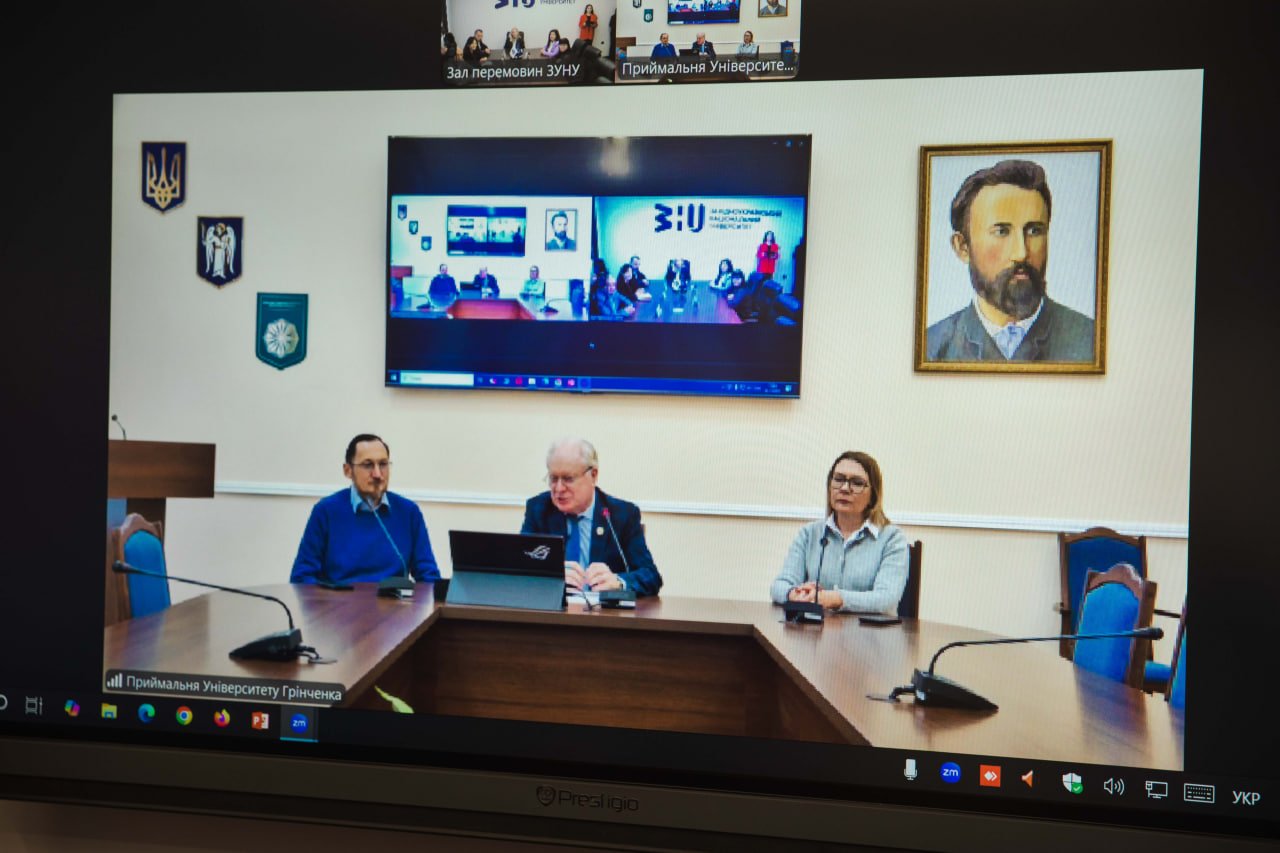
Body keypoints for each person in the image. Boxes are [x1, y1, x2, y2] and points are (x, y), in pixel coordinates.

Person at [925, 159, 1095, 362]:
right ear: (962, 247)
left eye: (1034, 231)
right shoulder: (931, 349)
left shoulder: (1090, 341)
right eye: (1001, 231)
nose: (1021, 253)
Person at [291, 434, 440, 586]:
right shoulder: (326, 511)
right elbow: (301, 577)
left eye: (383, 464)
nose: (377, 474)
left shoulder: (408, 512)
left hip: (393, 600)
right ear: (348, 470)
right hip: (340, 600)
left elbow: (429, 577)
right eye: (368, 465)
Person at [770, 451, 909, 614]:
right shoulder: (810, 533)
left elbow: (886, 599)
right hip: (815, 629)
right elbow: (779, 586)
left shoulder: (892, 539)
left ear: (873, 494)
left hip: (868, 630)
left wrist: (835, 598)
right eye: (838, 479)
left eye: (857, 483)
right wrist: (795, 594)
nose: (844, 488)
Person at [521, 438, 662, 596]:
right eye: (553, 478)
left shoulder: (622, 515)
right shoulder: (539, 509)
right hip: (553, 607)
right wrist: (552, 577)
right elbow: (520, 568)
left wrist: (618, 582)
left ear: (593, 475)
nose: (559, 488)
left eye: (568, 479)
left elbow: (651, 576)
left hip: (601, 610)